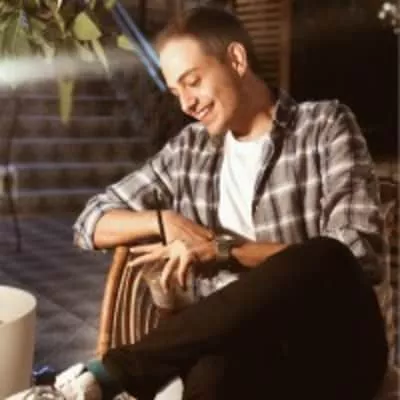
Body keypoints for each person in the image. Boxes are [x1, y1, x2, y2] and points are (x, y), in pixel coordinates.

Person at [10, 5, 393, 400]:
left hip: (330, 345)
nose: (186, 104)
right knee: (212, 371)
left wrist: (222, 249)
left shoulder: (324, 125)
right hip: (240, 347)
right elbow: (90, 222)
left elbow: (356, 255)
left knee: (326, 253)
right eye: (176, 92)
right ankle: (84, 389)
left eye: (192, 82)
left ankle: (108, 374)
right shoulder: (189, 151)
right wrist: (165, 222)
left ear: (237, 60)